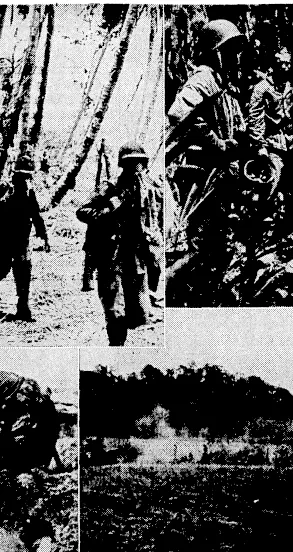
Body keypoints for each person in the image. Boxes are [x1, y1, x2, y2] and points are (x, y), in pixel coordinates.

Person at [166, 19, 248, 306]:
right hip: (202, 175)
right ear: (215, 51)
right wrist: (216, 142)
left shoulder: (223, 83)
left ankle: (201, 296)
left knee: (217, 247)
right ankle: (165, 290)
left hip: (220, 176)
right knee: (199, 248)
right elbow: (178, 114)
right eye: (231, 49)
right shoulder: (203, 78)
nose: (237, 56)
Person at [76, 142, 162, 346]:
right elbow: (82, 211)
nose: (135, 167)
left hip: (135, 257)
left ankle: (119, 343)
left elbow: (155, 218)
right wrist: (108, 210)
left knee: (135, 314)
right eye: (130, 163)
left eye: (139, 163)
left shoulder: (148, 188)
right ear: (122, 165)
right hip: (111, 256)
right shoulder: (110, 187)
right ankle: (116, 346)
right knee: (115, 311)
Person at [0, 154, 50, 321]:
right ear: (15, 173)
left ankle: (23, 309)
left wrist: (43, 235)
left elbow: (36, 215)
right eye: (22, 175)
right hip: (4, 239)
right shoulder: (5, 188)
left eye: (27, 175)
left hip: (21, 240)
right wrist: (2, 201)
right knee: (1, 272)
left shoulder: (29, 192)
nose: (25, 178)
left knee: (23, 273)